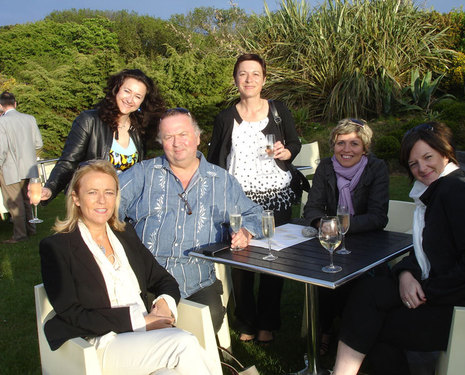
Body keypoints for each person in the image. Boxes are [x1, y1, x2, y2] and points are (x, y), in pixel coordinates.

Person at [331, 122, 465, 375]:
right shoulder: (436, 192)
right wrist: (405, 274)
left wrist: (425, 292)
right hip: (445, 289)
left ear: (446, 152)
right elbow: (425, 248)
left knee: (373, 324)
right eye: (413, 163)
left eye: (428, 157)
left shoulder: (457, 192)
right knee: (367, 292)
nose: (422, 168)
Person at [39, 160, 219, 375]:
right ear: (76, 198)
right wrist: (140, 322)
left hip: (145, 341)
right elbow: (72, 313)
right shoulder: (57, 247)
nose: (102, 201)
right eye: (92, 193)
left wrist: (164, 305)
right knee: (183, 343)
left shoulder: (125, 235)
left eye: (109, 192)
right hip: (101, 343)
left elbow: (164, 280)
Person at [119, 107, 263, 334]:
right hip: (144, 281)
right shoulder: (142, 174)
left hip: (195, 280)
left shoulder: (222, 181)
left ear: (197, 137)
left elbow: (255, 214)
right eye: (168, 137)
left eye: (183, 134)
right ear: (161, 142)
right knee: (138, 331)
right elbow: (106, 206)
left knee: (207, 322)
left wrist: (246, 232)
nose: (177, 143)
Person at [207, 53, 301, 344]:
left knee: (274, 262)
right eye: (243, 74)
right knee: (242, 263)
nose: (249, 79)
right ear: (235, 79)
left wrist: (288, 152)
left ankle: (267, 322)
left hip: (277, 198)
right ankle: (246, 320)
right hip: (240, 201)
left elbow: (294, 143)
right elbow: (214, 160)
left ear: (264, 79)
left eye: (255, 74)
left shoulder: (278, 110)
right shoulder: (225, 117)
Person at [303, 118, 389, 355]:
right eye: (341, 143)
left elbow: (378, 217)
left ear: (365, 147)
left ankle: (353, 333)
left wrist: (340, 226)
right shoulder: (325, 167)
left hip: (367, 239)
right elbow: (311, 208)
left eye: (354, 143)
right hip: (331, 239)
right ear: (333, 145)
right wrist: (324, 224)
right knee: (323, 272)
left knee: (363, 281)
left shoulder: (376, 168)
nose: (347, 150)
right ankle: (326, 328)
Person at [40, 69, 164, 204]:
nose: (130, 99)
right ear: (116, 89)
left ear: (142, 102)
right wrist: (50, 188)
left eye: (137, 96)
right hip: (91, 205)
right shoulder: (89, 121)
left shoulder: (139, 130)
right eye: (127, 91)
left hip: (124, 208)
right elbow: (68, 162)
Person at [0, 91, 43, 243]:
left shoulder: (2, 122)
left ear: (0, 106)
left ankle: (19, 234)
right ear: (15, 103)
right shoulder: (29, 119)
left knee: (13, 201)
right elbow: (39, 143)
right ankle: (31, 229)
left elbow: (2, 148)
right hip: (28, 166)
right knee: (26, 199)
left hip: (10, 168)